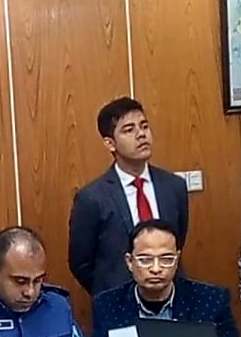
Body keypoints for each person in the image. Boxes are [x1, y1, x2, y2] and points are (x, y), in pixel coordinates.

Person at [68, 97, 190, 297]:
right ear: (110, 144)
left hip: (171, 297)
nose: (141, 134)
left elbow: (178, 240)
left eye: (144, 126)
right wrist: (110, 293)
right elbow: (81, 263)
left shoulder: (174, 187)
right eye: (129, 130)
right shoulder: (91, 198)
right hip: (117, 301)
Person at [91, 219, 241, 337]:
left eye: (166, 260)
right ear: (129, 262)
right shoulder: (107, 304)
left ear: (177, 259)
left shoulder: (211, 301)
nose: (156, 269)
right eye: (145, 260)